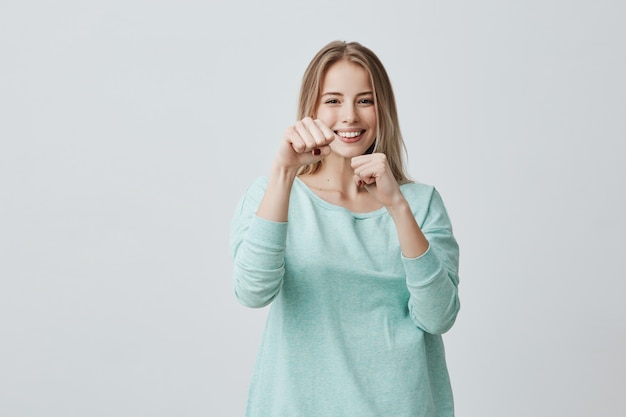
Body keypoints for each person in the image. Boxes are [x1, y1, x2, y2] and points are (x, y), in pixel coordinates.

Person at [229, 40, 460, 417]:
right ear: (312, 110)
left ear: (382, 108)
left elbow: (438, 316)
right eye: (333, 100)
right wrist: (284, 172)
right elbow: (253, 291)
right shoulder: (273, 193)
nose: (350, 116)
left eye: (365, 100)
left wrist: (397, 206)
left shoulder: (421, 203)